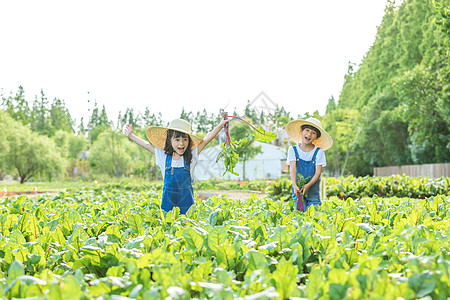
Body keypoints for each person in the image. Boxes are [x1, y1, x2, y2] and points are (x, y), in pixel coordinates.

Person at [123, 118, 229, 214]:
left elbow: (206, 139)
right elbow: (147, 145)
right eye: (177, 139)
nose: (181, 143)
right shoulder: (163, 156)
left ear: (189, 141)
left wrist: (221, 125)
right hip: (167, 209)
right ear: (170, 140)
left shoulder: (192, 155)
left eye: (185, 139)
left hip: (187, 209)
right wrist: (131, 136)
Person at [285, 117, 333, 211]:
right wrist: (295, 185)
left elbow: (318, 173)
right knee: (299, 213)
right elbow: (293, 169)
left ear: (317, 137)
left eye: (313, 133)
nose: (309, 134)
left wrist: (308, 185)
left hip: (312, 189)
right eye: (307, 130)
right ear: (301, 131)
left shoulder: (319, 152)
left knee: (314, 214)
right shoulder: (293, 150)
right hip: (298, 189)